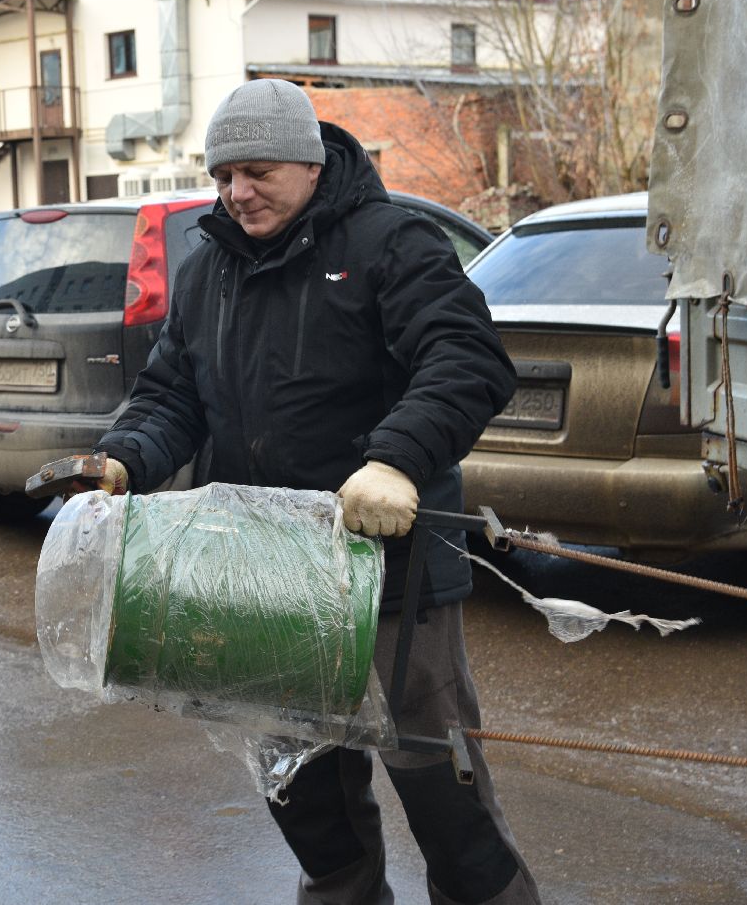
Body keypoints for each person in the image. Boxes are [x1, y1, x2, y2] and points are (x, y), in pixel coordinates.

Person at [90, 78, 540, 904]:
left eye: (257, 172)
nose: (237, 193)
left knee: (444, 796)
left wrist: (398, 459)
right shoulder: (206, 268)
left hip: (391, 577)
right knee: (306, 798)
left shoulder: (390, 243)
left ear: (308, 162)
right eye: (225, 176)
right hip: (266, 577)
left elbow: (467, 357)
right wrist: (124, 458)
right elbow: (171, 395)